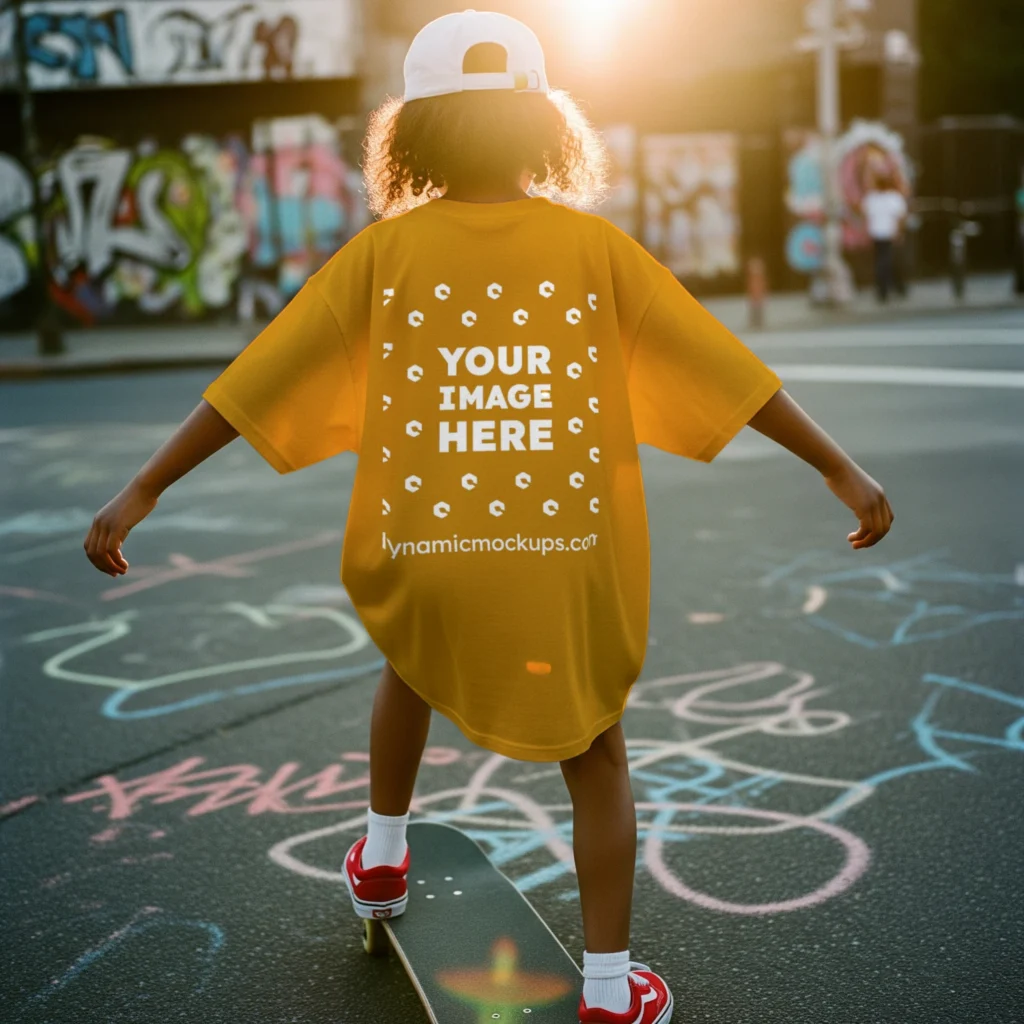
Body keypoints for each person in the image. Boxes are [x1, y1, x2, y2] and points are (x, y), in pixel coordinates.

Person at [83, 12, 894, 1022]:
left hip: (427, 552)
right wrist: (840, 468)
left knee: (411, 660)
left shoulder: (383, 256)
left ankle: (381, 858)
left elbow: (253, 385)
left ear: (413, 133)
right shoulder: (597, 251)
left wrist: (145, 487)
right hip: (562, 558)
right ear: (541, 127)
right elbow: (732, 377)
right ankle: (607, 989)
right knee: (593, 751)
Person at [861, 170, 909, 302]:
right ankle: (893, 288)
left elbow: (865, 215)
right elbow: (901, 217)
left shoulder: (871, 198)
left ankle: (884, 290)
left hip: (877, 233)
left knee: (881, 261)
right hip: (889, 233)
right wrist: (899, 231)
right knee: (889, 261)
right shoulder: (894, 198)